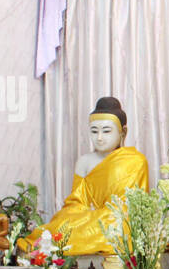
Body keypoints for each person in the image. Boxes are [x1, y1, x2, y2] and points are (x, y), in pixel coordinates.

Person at [19, 96, 149, 257]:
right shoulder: (85, 161)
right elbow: (77, 201)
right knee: (59, 226)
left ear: (123, 132)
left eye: (107, 131)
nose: (99, 137)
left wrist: (105, 216)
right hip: (91, 218)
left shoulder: (136, 160)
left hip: (117, 220)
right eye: (94, 131)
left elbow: (132, 207)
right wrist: (84, 215)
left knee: (116, 227)